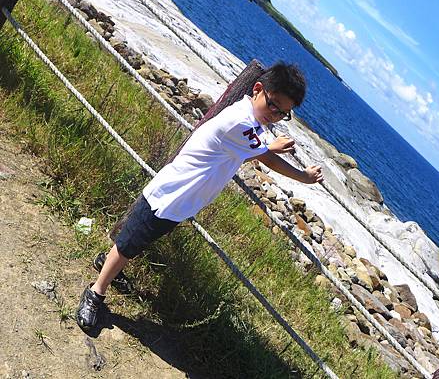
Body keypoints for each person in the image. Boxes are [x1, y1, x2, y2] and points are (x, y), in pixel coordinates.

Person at [76, 62, 323, 330]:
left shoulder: (250, 121)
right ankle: (96, 292)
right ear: (257, 89)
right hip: (169, 194)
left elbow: (249, 151)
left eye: (283, 113)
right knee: (128, 243)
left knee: (139, 240)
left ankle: (109, 266)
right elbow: (265, 157)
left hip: (182, 200)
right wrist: (303, 176)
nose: (275, 115)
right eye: (273, 105)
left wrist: (269, 146)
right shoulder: (240, 121)